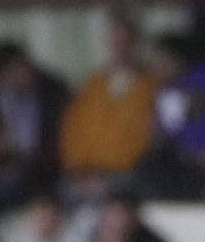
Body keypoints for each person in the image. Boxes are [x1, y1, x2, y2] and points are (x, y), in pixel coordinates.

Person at [128, 34, 205, 201]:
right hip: (190, 160)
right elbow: (166, 134)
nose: (155, 67)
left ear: (176, 59)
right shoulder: (164, 92)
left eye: (160, 60)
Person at [0, 42, 71, 225]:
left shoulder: (53, 94)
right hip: (5, 174)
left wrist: (24, 152)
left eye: (25, 67)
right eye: (15, 70)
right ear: (1, 75)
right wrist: (1, 154)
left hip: (48, 172)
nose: (24, 74)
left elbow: (63, 145)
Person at [59, 11, 160, 194]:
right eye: (116, 42)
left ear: (136, 43)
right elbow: (74, 130)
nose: (121, 48)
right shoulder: (92, 84)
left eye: (126, 42)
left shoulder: (152, 83)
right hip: (89, 174)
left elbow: (154, 133)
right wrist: (82, 171)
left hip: (134, 174)